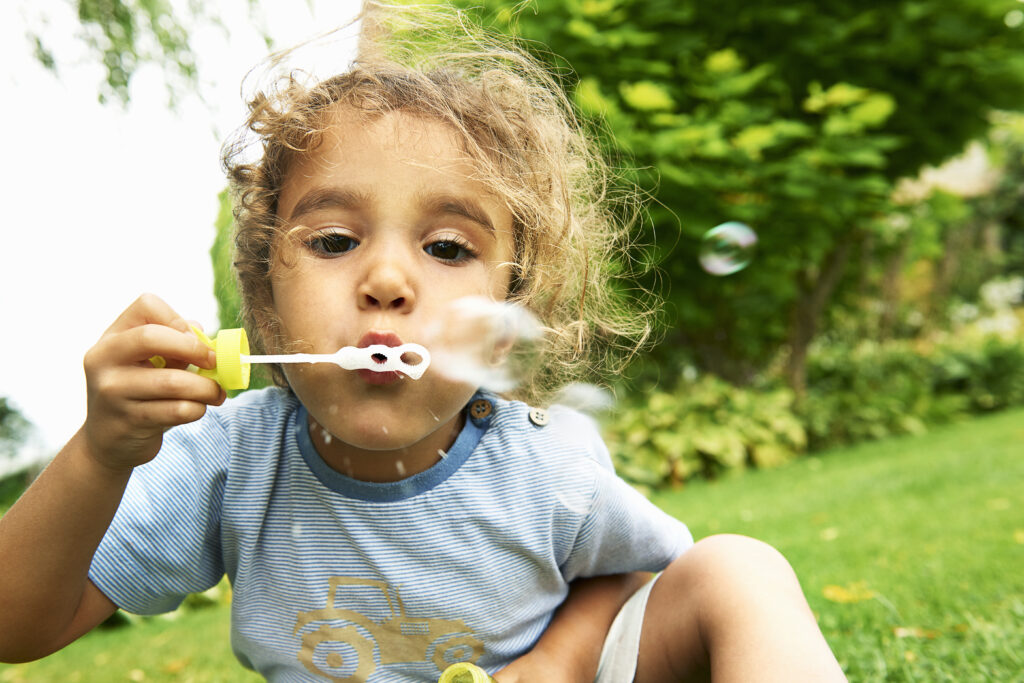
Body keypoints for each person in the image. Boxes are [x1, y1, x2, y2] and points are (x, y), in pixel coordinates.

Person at [0, 2, 847, 681]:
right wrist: (101, 455)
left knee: (737, 569)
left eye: (447, 248)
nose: (388, 281)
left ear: (508, 305)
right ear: (265, 295)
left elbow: (634, 575)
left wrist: (554, 663)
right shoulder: (226, 462)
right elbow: (16, 625)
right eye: (334, 242)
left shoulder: (545, 468)